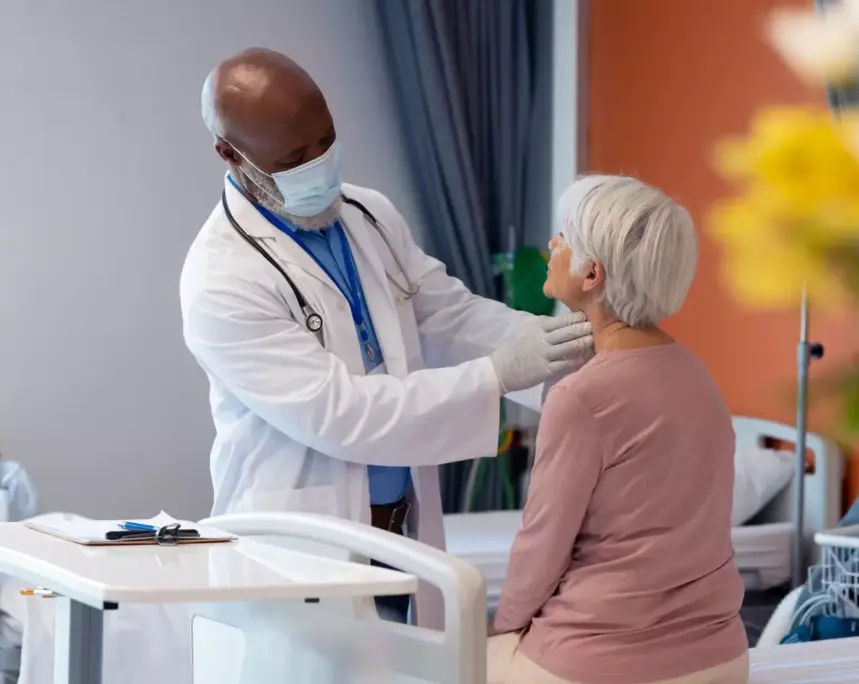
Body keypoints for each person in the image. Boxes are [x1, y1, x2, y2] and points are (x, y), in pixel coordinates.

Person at [179, 48, 593, 630]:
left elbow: (450, 315)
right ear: (230, 154)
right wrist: (497, 374)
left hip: (402, 527)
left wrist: (574, 346)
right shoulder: (220, 281)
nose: (321, 164)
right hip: (301, 547)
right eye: (297, 158)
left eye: (326, 141)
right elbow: (342, 415)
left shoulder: (368, 215)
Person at [487, 175, 749, 684]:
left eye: (563, 236)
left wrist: (502, 629)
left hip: (599, 664)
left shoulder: (581, 397)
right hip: (721, 659)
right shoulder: (698, 375)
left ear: (592, 273)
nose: (552, 246)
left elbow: (541, 548)